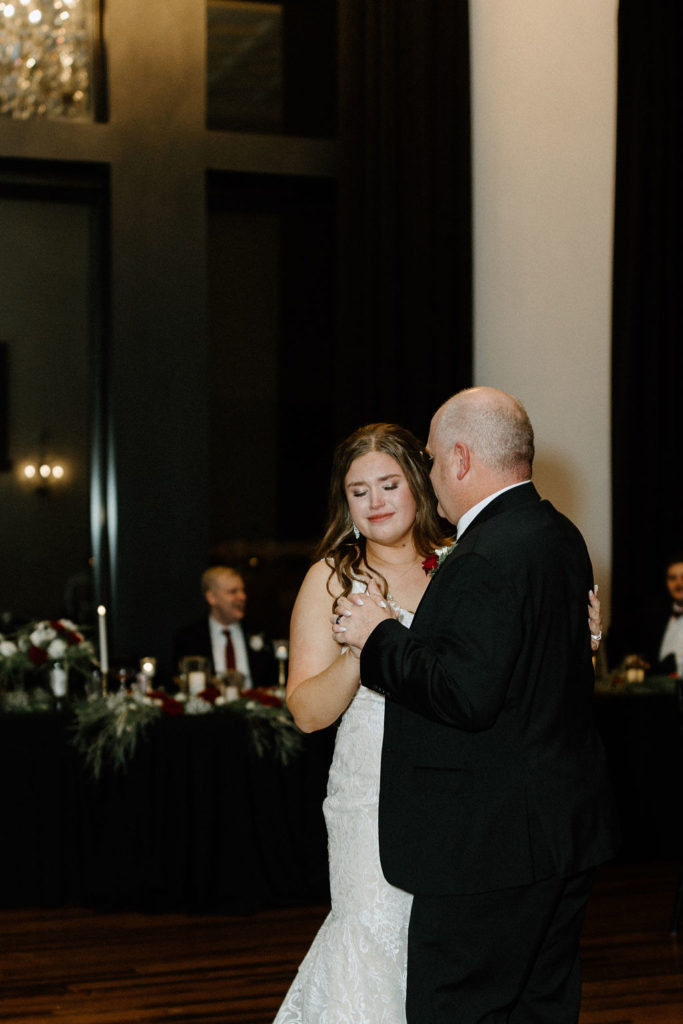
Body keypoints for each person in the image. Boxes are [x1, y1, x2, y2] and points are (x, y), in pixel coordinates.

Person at [273, 415, 605, 1024]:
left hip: (470, 805)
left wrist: (576, 643)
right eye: (359, 490)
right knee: (376, 943)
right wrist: (359, 654)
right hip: (371, 793)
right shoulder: (331, 578)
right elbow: (306, 714)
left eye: (390, 483)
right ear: (343, 503)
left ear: (422, 484)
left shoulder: (460, 561)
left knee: (463, 966)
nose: (375, 502)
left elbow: (493, 678)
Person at [173, 566, 276, 688]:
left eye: (242, 591)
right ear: (211, 598)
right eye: (233, 591)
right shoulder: (188, 638)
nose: (242, 597)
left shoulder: (261, 633)